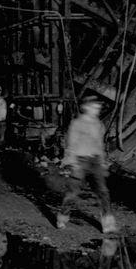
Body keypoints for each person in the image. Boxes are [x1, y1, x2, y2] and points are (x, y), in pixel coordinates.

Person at [57, 93, 117, 233]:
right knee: (73, 193)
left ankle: (107, 223)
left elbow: (99, 144)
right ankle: (62, 218)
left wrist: (102, 162)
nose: (97, 109)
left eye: (97, 107)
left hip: (95, 161)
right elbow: (71, 144)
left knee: (103, 192)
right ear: (86, 107)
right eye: (94, 107)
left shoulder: (98, 124)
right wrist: (73, 163)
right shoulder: (77, 123)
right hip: (81, 161)